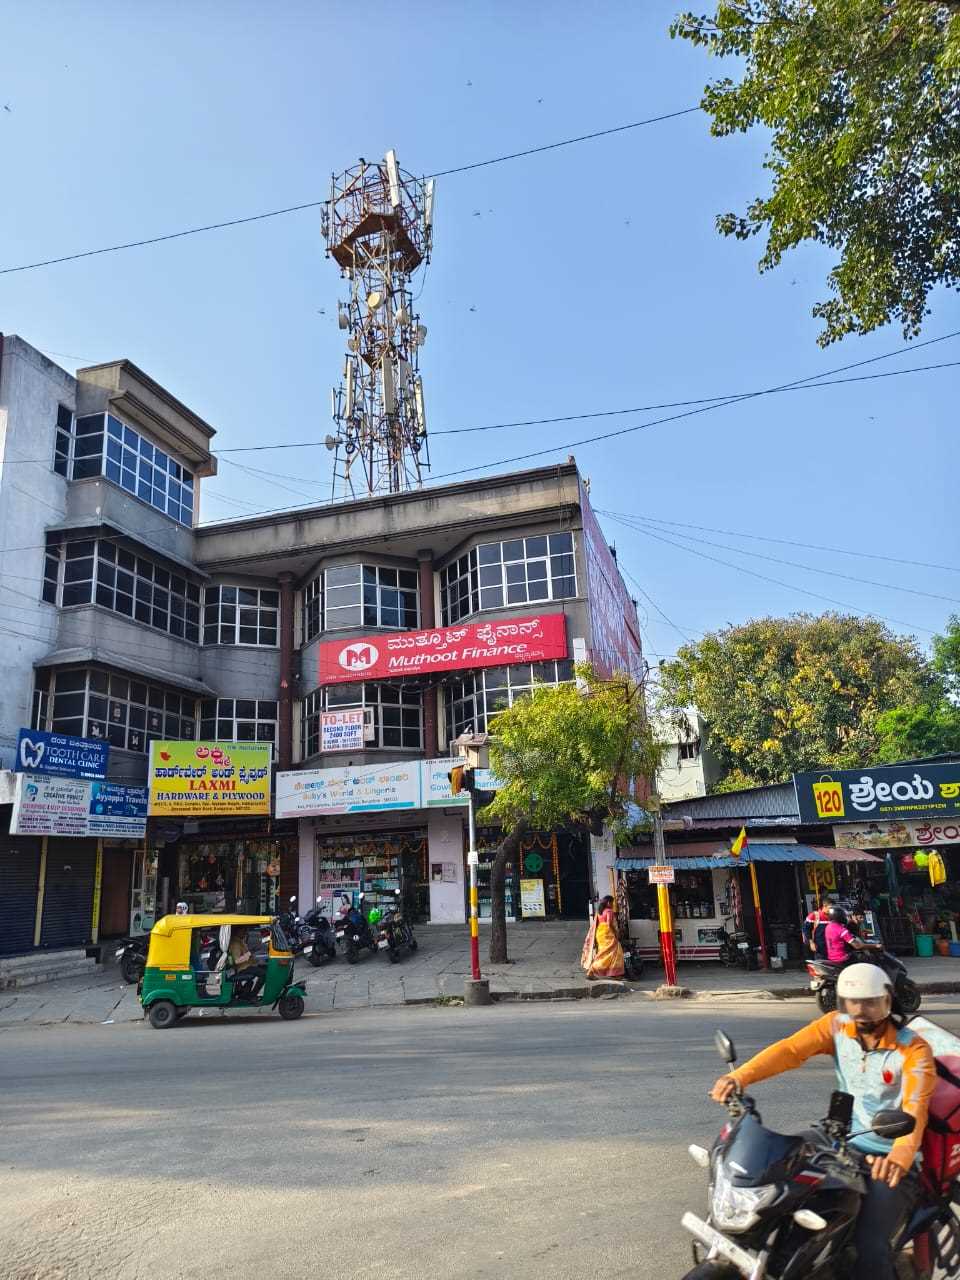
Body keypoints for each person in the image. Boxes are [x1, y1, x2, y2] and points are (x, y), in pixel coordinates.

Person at [710, 963, 935, 1280]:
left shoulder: (913, 1050)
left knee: (869, 1248)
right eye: (852, 1003)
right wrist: (739, 1077)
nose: (861, 1011)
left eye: (870, 1002)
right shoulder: (836, 1027)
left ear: (888, 1001)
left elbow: (915, 1108)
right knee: (772, 1178)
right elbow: (789, 1050)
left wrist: (898, 1157)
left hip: (886, 1156)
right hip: (836, 1138)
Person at [581, 895, 624, 980]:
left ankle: (614, 973)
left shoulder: (600, 911)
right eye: (612, 902)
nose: (613, 904)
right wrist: (616, 933)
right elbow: (609, 924)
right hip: (608, 934)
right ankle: (592, 971)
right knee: (615, 952)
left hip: (600, 934)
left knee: (604, 953)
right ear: (608, 902)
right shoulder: (609, 911)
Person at [228, 924, 266, 998]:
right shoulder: (235, 943)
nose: (245, 933)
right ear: (238, 931)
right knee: (263, 974)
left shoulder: (240, 941)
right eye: (244, 931)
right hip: (243, 968)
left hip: (248, 966)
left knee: (265, 968)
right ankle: (252, 995)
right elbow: (236, 961)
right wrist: (249, 954)